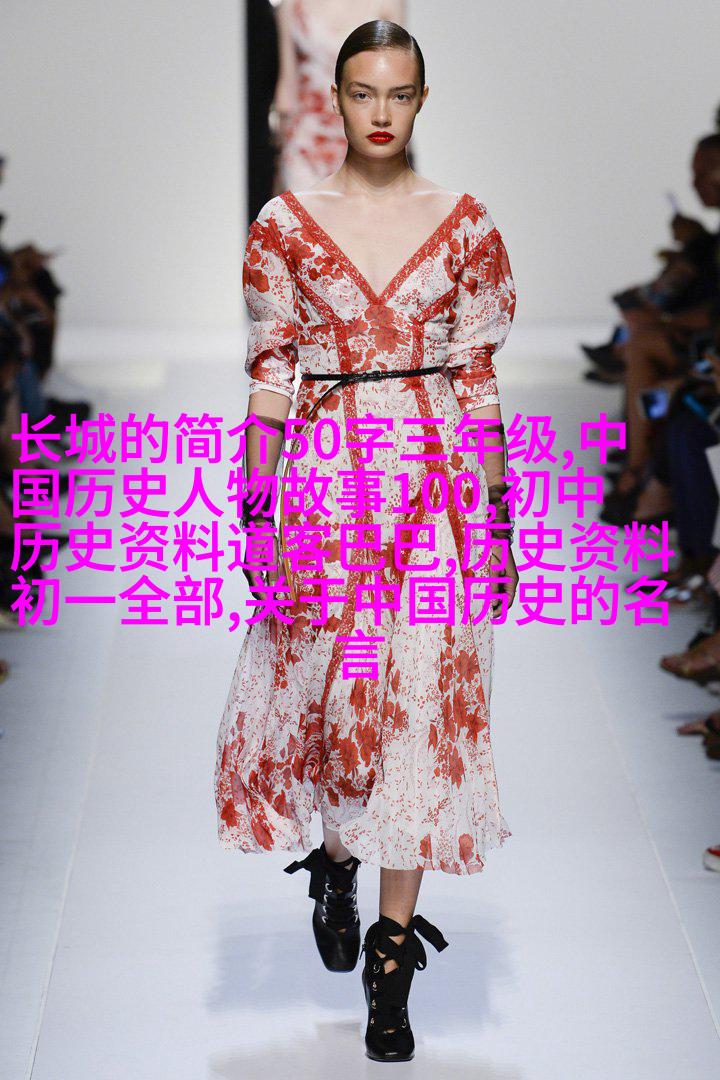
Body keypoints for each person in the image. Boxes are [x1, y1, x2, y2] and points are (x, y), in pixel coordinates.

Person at [216, 19, 518, 1062]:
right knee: (339, 709)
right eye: (361, 92)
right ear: (334, 100)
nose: (380, 112)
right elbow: (272, 368)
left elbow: (477, 378)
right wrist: (256, 508)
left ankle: (392, 963)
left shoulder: (467, 223)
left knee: (424, 709)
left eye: (397, 92)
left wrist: (498, 513)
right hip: (325, 488)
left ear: (421, 100)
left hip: (438, 492)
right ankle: (337, 859)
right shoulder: (286, 224)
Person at [272, 0, 404, 192]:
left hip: (365, 135)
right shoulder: (292, 4)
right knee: (303, 208)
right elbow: (287, 84)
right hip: (307, 135)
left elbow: (397, 76)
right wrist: (281, 149)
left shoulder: (387, 3)